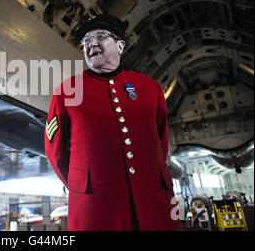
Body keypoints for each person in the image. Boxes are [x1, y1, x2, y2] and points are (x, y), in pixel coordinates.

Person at [45, 14, 182, 231]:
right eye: (86, 41)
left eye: (101, 36)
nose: (92, 44)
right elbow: (55, 151)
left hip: (154, 201)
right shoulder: (67, 91)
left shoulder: (150, 88)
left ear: (120, 46)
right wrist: (82, 184)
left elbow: (161, 143)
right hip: (96, 207)